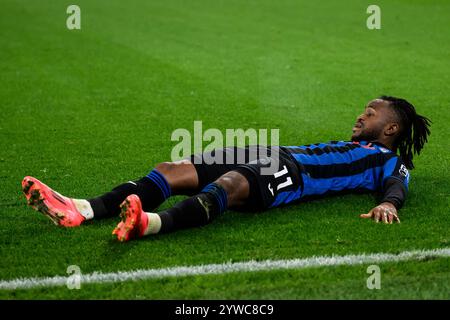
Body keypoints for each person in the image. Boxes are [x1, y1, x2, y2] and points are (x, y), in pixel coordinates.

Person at [22, 96, 431, 242]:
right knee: (173, 168)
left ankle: (149, 223)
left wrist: (390, 205)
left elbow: (397, 186)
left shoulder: (390, 160)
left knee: (231, 183)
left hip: (295, 176)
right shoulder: (355, 143)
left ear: (392, 128)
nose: (361, 116)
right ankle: (84, 209)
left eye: (370, 113)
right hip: (271, 151)